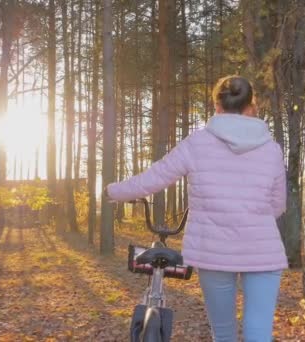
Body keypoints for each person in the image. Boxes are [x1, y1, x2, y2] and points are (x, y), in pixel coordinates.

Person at [105, 75, 287, 342]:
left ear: (217, 106)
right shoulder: (271, 149)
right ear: (251, 105)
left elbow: (155, 177)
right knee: (259, 333)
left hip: (214, 252)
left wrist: (112, 191)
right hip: (263, 251)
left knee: (223, 333)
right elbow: (278, 205)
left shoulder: (197, 143)